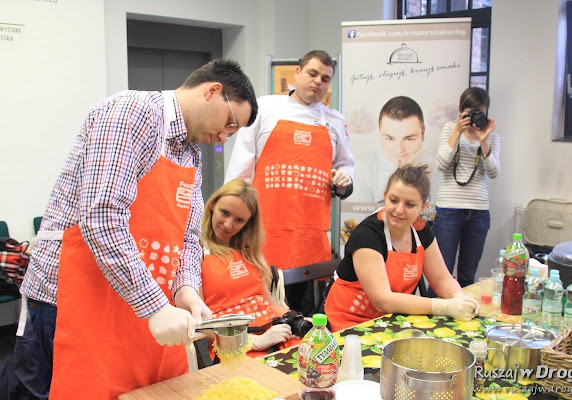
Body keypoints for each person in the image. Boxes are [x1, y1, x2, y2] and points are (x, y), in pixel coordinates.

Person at [0, 59, 258, 400]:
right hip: (69, 296)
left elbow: (188, 237)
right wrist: (155, 306)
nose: (223, 137)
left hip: (125, 299)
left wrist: (186, 289)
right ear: (212, 91)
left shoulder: (190, 153)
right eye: (228, 123)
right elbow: (102, 217)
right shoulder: (131, 112)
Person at [225, 50, 355, 315]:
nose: (318, 81)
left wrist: (345, 177)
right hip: (263, 227)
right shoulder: (265, 108)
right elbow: (241, 168)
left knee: (302, 309)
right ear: (297, 73)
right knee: (257, 304)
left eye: (326, 78)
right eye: (313, 73)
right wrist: (230, 218)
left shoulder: (335, 121)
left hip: (309, 233)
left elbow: (346, 164)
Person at [324, 165, 480, 332]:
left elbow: (441, 279)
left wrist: (460, 298)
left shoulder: (421, 231)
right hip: (349, 323)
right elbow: (383, 300)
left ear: (423, 206)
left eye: (410, 204)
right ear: (384, 196)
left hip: (393, 320)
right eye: (393, 200)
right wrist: (444, 307)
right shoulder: (368, 235)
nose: (399, 210)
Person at [198, 178, 302, 359]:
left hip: (274, 333)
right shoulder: (194, 253)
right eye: (225, 213)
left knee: (318, 356)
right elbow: (199, 325)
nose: (228, 225)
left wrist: (297, 319)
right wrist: (252, 341)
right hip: (234, 348)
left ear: (248, 223)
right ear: (212, 205)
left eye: (239, 220)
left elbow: (269, 304)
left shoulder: (250, 253)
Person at [428, 87, 499, 296]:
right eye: (470, 112)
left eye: (480, 112)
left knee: (468, 277)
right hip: (449, 210)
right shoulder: (450, 128)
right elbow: (441, 164)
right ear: (461, 110)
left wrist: (484, 141)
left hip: (478, 212)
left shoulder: (491, 137)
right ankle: (433, 320)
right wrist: (457, 132)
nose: (475, 117)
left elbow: (494, 172)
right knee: (441, 274)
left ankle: (463, 320)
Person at [351, 96, 425, 204]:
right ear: (380, 134)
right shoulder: (361, 166)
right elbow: (362, 218)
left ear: (422, 133)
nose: (399, 150)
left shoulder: (437, 167)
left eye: (409, 139)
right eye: (390, 139)